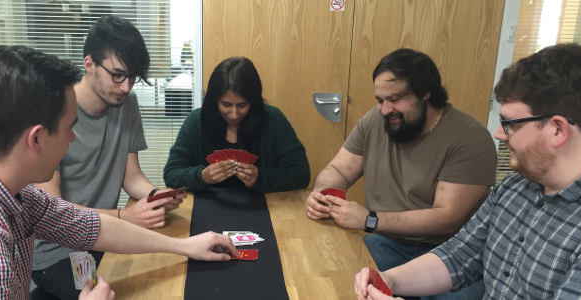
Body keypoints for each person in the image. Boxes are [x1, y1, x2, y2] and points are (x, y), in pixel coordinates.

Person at [0, 45, 238, 299]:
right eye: (68, 128)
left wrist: (183, 246)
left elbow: (88, 226)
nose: (74, 138)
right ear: (36, 139)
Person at [355, 43, 581, 299]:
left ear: (557, 129)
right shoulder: (517, 186)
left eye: (510, 124)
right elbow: (460, 256)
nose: (498, 134)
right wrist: (390, 280)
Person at [306, 49, 497, 298]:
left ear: (425, 93)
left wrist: (370, 220)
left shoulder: (470, 137)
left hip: (452, 253)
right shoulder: (374, 121)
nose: (385, 110)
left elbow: (447, 218)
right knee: (338, 284)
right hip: (386, 242)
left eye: (395, 99)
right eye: (380, 100)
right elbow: (337, 170)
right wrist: (321, 194)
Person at [31, 16, 185, 299]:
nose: (126, 87)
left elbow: (131, 176)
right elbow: (54, 212)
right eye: (117, 75)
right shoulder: (53, 113)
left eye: (132, 77)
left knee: (170, 268)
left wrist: (155, 195)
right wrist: (123, 217)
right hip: (62, 251)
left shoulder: (127, 103)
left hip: (104, 237)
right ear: (88, 63)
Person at [163, 57, 310, 193]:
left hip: (265, 207)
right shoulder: (196, 121)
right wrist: (202, 176)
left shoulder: (273, 119)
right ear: (214, 100)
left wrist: (260, 178)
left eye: (242, 105)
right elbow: (171, 174)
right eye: (226, 104)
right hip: (206, 204)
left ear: (254, 100)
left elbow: (301, 174)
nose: (234, 114)